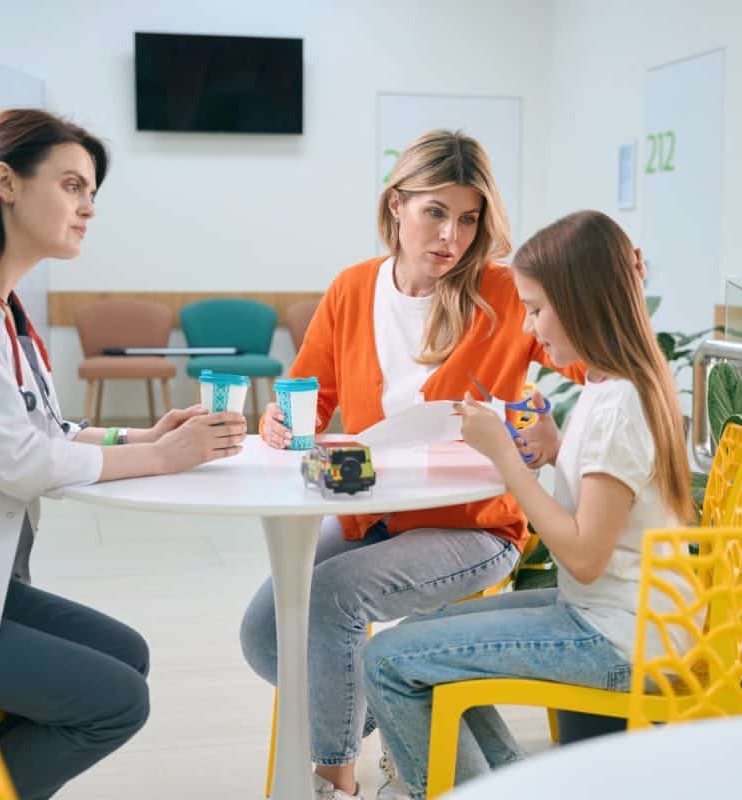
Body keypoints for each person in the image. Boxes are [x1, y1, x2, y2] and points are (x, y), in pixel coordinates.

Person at [0, 109, 246, 798]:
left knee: (128, 656)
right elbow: (18, 461)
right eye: (71, 185)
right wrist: (165, 458)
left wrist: (138, 437)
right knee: (115, 701)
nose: (87, 208)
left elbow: (38, 426)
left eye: (91, 193)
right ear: (5, 181)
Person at [241, 130, 582, 800]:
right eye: (435, 212)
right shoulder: (352, 289)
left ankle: (335, 782)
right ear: (397, 204)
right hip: (373, 517)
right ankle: (404, 716)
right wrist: (277, 421)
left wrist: (557, 424)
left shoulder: (506, 293)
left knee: (335, 602)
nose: (450, 236)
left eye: (468, 219)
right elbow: (305, 394)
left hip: (475, 528)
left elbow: (589, 363)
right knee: (265, 631)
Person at [361, 210, 694, 799]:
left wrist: (509, 463)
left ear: (583, 302)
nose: (530, 327)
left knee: (388, 660)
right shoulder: (612, 385)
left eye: (537, 308)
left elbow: (587, 556)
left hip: (618, 636)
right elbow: (614, 502)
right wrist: (553, 448)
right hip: (618, 616)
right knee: (419, 637)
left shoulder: (619, 405)